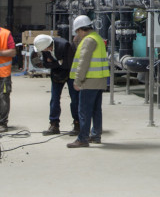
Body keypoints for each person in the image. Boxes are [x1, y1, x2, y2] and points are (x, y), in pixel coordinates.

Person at [67, 15, 108, 148]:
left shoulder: (88, 40)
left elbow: (83, 62)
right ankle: (96, 135)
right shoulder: (97, 38)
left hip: (89, 80)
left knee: (84, 110)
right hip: (99, 80)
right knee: (96, 110)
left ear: (80, 30)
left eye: (77, 32)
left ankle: (82, 138)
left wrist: (78, 80)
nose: (77, 34)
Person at [33, 34, 79, 136]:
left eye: (44, 50)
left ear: (47, 46)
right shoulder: (44, 49)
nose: (43, 52)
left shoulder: (64, 45)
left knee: (75, 99)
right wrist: (58, 63)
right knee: (54, 99)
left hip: (71, 73)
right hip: (56, 74)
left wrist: (53, 63)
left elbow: (68, 64)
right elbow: (45, 64)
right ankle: (54, 125)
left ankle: (77, 124)